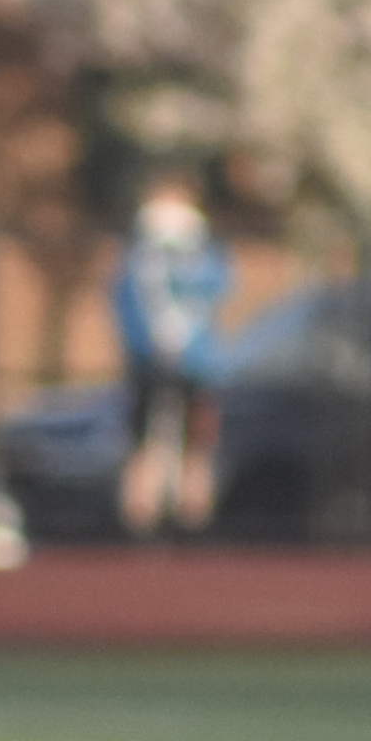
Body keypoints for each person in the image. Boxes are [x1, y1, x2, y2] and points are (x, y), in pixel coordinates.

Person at [113, 177, 232, 537]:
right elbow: (128, 301)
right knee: (146, 441)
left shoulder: (203, 255)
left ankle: (192, 520)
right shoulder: (141, 257)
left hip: (195, 362)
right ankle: (143, 520)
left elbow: (215, 289)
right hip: (151, 361)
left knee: (197, 440)